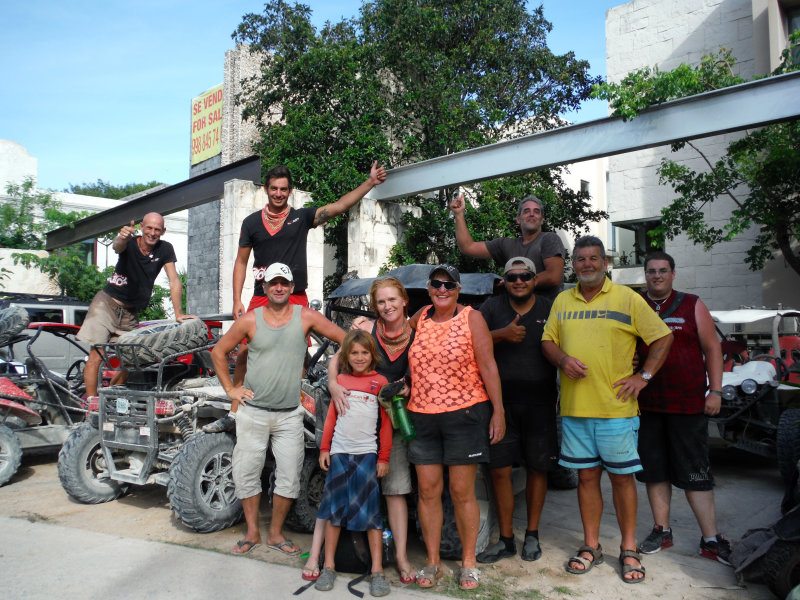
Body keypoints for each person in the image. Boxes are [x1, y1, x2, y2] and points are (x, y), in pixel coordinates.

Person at [204, 161, 387, 433]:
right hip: (261, 296)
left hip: (295, 295)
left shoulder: (301, 218)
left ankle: (295, 408)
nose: (279, 193)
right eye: (274, 189)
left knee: (298, 353)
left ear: (290, 191)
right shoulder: (251, 222)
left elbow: (338, 206)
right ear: (266, 189)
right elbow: (241, 262)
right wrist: (236, 300)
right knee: (243, 352)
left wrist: (370, 183)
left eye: (284, 189)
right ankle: (234, 413)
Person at [541, 236, 673, 584]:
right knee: (586, 478)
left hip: (617, 409)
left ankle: (628, 549)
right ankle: (591, 546)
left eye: (594, 258)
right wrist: (563, 359)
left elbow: (662, 338)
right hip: (575, 409)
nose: (587, 264)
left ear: (605, 263)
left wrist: (643, 376)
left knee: (621, 479)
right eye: (581, 259)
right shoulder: (562, 301)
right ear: (573, 263)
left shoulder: (627, 298)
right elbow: (547, 341)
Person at [209, 263, 345, 557]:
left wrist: (336, 377)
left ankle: (275, 534)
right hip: (253, 411)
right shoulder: (250, 320)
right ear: (265, 288)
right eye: (274, 283)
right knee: (247, 474)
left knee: (288, 476)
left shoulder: (305, 316)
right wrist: (231, 390)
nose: (279, 287)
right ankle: (252, 533)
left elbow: (345, 340)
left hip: (289, 414)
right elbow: (218, 352)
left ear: (292, 287)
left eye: (284, 282)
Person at [306, 277, 416, 584]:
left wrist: (406, 389)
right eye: (381, 301)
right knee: (335, 503)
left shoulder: (417, 334)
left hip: (388, 428)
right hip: (347, 441)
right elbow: (339, 358)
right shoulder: (365, 331)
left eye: (392, 300)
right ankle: (324, 561)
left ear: (404, 300)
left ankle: (399, 559)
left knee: (393, 491)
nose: (387, 306)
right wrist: (333, 384)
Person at [406, 264, 505, 591]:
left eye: (449, 284)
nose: (442, 289)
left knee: (462, 492)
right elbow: (393, 342)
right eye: (436, 284)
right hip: (422, 416)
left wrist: (498, 411)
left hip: (465, 415)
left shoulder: (471, 318)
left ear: (458, 289)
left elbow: (488, 365)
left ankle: (468, 563)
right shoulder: (419, 317)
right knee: (428, 492)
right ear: (429, 288)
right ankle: (432, 561)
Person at [635, 251, 731, 564]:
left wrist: (714, 390)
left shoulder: (692, 304)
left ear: (673, 274)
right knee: (655, 472)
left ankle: (711, 539)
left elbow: (712, 348)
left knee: (695, 473)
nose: (657, 276)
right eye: (651, 271)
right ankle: (661, 530)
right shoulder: (636, 303)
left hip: (688, 405)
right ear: (645, 274)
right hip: (648, 406)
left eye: (663, 271)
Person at [476, 257, 558, 564]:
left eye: (525, 276)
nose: (519, 281)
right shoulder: (491, 308)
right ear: (504, 281)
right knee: (499, 471)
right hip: (499, 404)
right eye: (512, 277)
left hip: (541, 401)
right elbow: (470, 341)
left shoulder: (550, 308)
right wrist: (500, 335)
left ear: (535, 279)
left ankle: (533, 535)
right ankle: (507, 539)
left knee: (539, 468)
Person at [313, 329, 393, 597]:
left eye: (364, 352)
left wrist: (383, 457)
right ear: (346, 355)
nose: (359, 357)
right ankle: (329, 566)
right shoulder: (341, 381)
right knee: (335, 512)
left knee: (371, 515)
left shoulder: (380, 382)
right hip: (339, 454)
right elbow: (331, 419)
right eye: (354, 353)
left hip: (367, 456)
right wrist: (325, 448)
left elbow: (385, 426)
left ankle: (378, 571)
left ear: (373, 355)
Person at [77, 212, 190, 399]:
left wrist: (178, 313)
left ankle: (110, 397)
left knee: (133, 359)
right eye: (149, 228)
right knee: (97, 353)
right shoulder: (129, 242)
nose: (152, 233)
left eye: (157, 229)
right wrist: (121, 237)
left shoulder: (165, 249)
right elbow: (117, 246)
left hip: (130, 312)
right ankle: (91, 404)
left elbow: (174, 281)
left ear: (163, 231)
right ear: (141, 227)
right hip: (107, 304)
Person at [449, 193, 566, 302]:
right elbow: (468, 247)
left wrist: (515, 280)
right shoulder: (507, 244)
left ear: (542, 220)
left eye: (536, 211)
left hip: (546, 314)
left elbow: (554, 276)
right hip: (513, 312)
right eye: (526, 211)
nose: (531, 214)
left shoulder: (549, 239)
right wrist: (459, 214)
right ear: (518, 219)